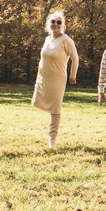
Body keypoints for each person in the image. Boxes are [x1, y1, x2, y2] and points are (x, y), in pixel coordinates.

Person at [31, 11, 79, 149]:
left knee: (55, 109)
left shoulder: (66, 40)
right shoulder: (47, 39)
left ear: (62, 25)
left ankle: (52, 138)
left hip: (58, 79)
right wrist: (39, 76)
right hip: (43, 78)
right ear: (49, 24)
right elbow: (43, 59)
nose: (55, 24)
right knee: (37, 102)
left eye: (58, 22)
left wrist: (73, 76)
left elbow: (75, 58)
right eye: (53, 22)